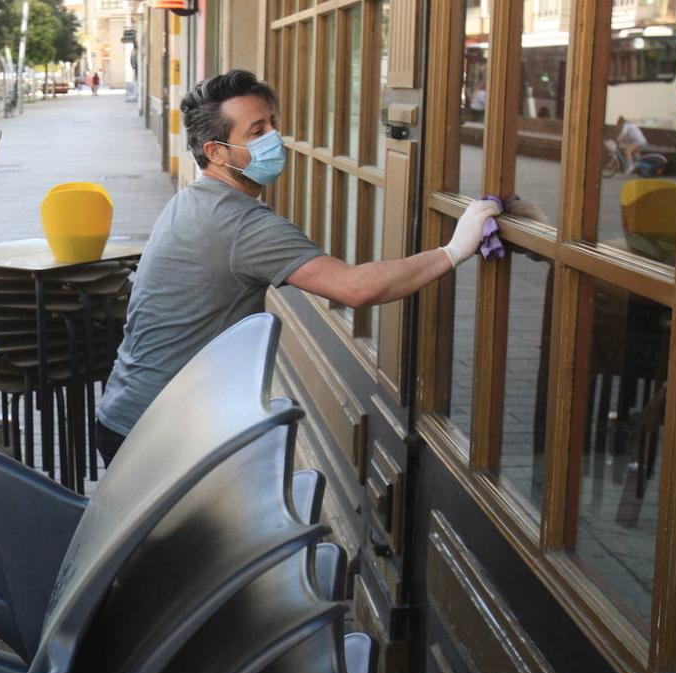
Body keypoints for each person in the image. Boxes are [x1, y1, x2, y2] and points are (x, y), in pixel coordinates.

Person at [93, 70, 501, 465]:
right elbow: (354, 288)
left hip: (130, 414)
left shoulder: (194, 199)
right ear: (217, 152)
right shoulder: (239, 224)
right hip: (158, 439)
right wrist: (453, 250)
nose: (275, 138)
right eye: (257, 132)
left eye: (273, 124)